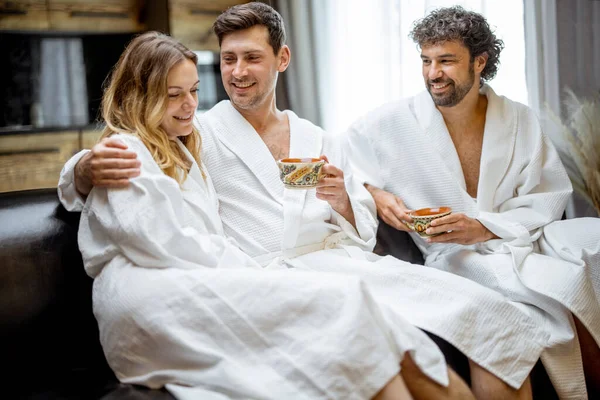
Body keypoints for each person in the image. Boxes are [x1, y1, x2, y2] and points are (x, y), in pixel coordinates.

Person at [59, 3, 547, 399]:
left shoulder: (316, 136)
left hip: (343, 259)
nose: (237, 72)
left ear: (282, 59)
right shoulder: (197, 128)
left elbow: (360, 228)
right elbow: (130, 143)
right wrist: (80, 169)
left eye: (251, 58)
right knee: (393, 338)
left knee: (491, 310)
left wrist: (343, 199)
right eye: (228, 59)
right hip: (273, 271)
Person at [344, 6, 600, 400]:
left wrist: (484, 227)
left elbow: (548, 195)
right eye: (426, 61)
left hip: (516, 244)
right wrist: (375, 194)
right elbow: (346, 167)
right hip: (452, 261)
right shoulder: (390, 123)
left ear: (479, 62)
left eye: (446, 60)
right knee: (556, 290)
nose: (433, 73)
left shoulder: (518, 120)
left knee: (578, 278)